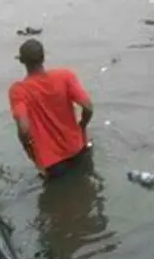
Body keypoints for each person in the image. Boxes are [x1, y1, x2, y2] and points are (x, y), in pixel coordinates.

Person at [8, 39, 93, 179]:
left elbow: (24, 130)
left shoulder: (18, 91)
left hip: (52, 164)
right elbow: (88, 107)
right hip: (78, 149)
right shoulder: (65, 76)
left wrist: (33, 157)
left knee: (60, 198)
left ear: (22, 61)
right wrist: (82, 125)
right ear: (44, 57)